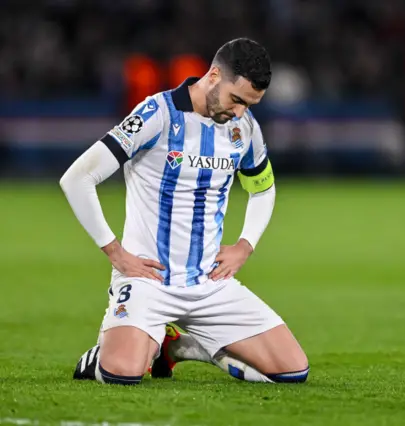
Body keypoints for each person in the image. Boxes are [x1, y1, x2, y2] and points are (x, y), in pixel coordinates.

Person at [60, 38, 309, 385]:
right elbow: (77, 178)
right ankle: (103, 355)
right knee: (121, 373)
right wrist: (115, 252)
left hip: (210, 284)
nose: (239, 112)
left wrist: (245, 246)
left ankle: (179, 347)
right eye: (236, 99)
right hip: (149, 281)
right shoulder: (156, 114)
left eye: (249, 105)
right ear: (214, 75)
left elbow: (263, 189)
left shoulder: (245, 127)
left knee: (293, 370)